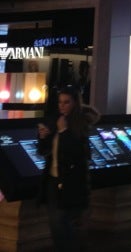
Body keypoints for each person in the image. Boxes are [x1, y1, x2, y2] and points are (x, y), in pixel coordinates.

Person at [37, 85, 100, 252]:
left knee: (62, 221)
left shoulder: (80, 125)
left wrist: (63, 131)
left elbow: (78, 153)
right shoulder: (55, 120)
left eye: (66, 102)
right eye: (60, 102)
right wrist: (43, 137)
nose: (62, 106)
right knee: (55, 223)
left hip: (71, 180)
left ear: (74, 103)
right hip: (53, 179)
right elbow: (44, 151)